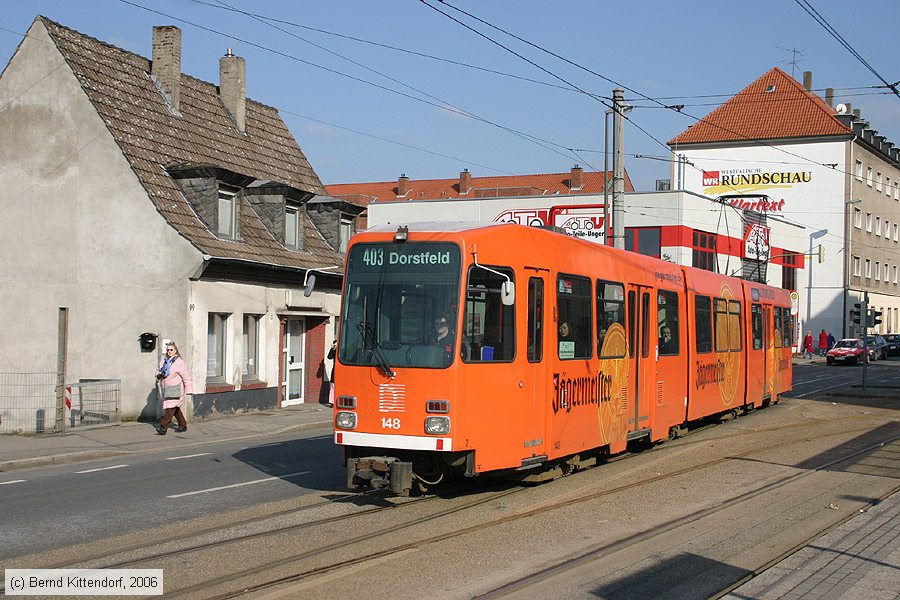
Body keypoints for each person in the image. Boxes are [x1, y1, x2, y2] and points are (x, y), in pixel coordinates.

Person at [156, 342, 193, 435]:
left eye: (171, 350)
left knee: (170, 408)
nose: (169, 351)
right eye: (168, 350)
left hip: (175, 389)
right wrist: (158, 375)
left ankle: (163, 426)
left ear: (175, 351)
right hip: (166, 389)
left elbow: (186, 376)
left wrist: (189, 389)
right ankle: (183, 425)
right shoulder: (164, 361)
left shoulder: (179, 362)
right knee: (175, 408)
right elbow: (158, 370)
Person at [327, 339, 337, 407]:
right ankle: (331, 402)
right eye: (335, 344)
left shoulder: (342, 351)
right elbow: (329, 357)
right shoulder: (334, 351)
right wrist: (332, 349)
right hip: (334, 371)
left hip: (341, 372)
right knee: (333, 386)